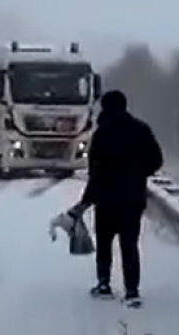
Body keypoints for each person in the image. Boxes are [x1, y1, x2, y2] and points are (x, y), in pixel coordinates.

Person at [68, 90, 163, 306]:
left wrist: (86, 201)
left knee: (104, 243)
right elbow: (157, 159)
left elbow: (96, 172)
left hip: (106, 199)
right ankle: (132, 290)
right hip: (133, 198)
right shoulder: (141, 130)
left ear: (106, 107)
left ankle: (104, 284)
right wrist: (138, 174)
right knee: (130, 245)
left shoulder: (102, 134)